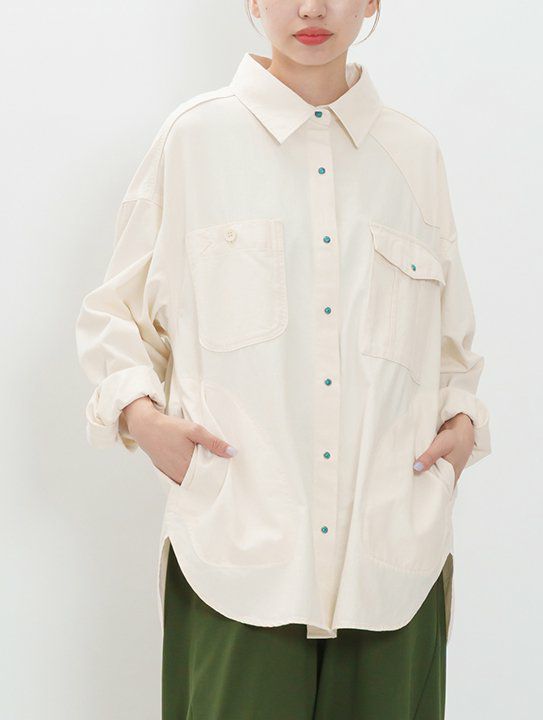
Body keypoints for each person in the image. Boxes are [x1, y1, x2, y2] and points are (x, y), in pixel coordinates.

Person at [75, 1, 492, 717]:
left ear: (373, 2)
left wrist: (461, 427)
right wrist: (144, 420)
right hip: (237, 552)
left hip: (391, 559)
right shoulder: (195, 139)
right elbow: (115, 314)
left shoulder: (413, 154)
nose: (311, 8)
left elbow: (450, 347)